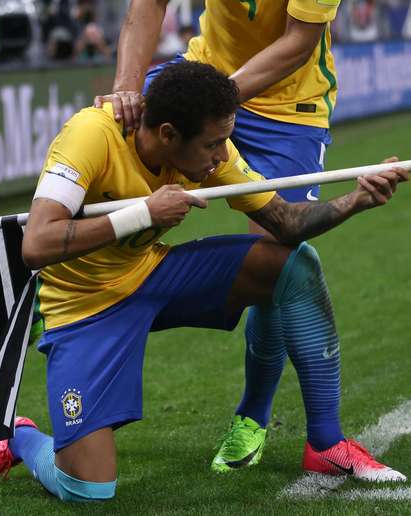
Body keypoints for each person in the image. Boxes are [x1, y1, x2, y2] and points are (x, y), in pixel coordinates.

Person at [0, 61, 408, 502]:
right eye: (213, 144)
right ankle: (20, 437)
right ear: (168, 134)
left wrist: (355, 201)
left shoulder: (210, 152)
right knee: (87, 490)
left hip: (152, 273)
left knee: (295, 265)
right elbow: (37, 243)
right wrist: (143, 214)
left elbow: (285, 222)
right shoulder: (90, 134)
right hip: (84, 306)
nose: (222, 155)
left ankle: (326, 444)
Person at [94, 0, 356, 474]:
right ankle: (43, 294)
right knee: (103, 134)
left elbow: (299, 41)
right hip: (207, 71)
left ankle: (252, 416)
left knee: (276, 260)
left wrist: (210, 109)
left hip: (288, 109)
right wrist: (126, 93)